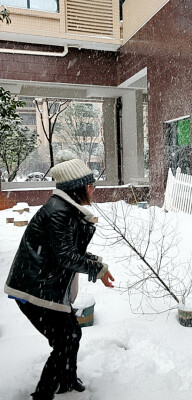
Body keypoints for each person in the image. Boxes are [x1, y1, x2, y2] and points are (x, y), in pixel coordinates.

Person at [4, 154, 115, 399]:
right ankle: (44, 393)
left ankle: (66, 379)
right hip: (35, 290)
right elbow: (66, 257)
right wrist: (98, 269)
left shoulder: (64, 209)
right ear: (78, 187)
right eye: (90, 184)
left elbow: (68, 251)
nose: (92, 189)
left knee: (71, 334)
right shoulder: (59, 212)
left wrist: (96, 264)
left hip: (42, 285)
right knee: (67, 338)